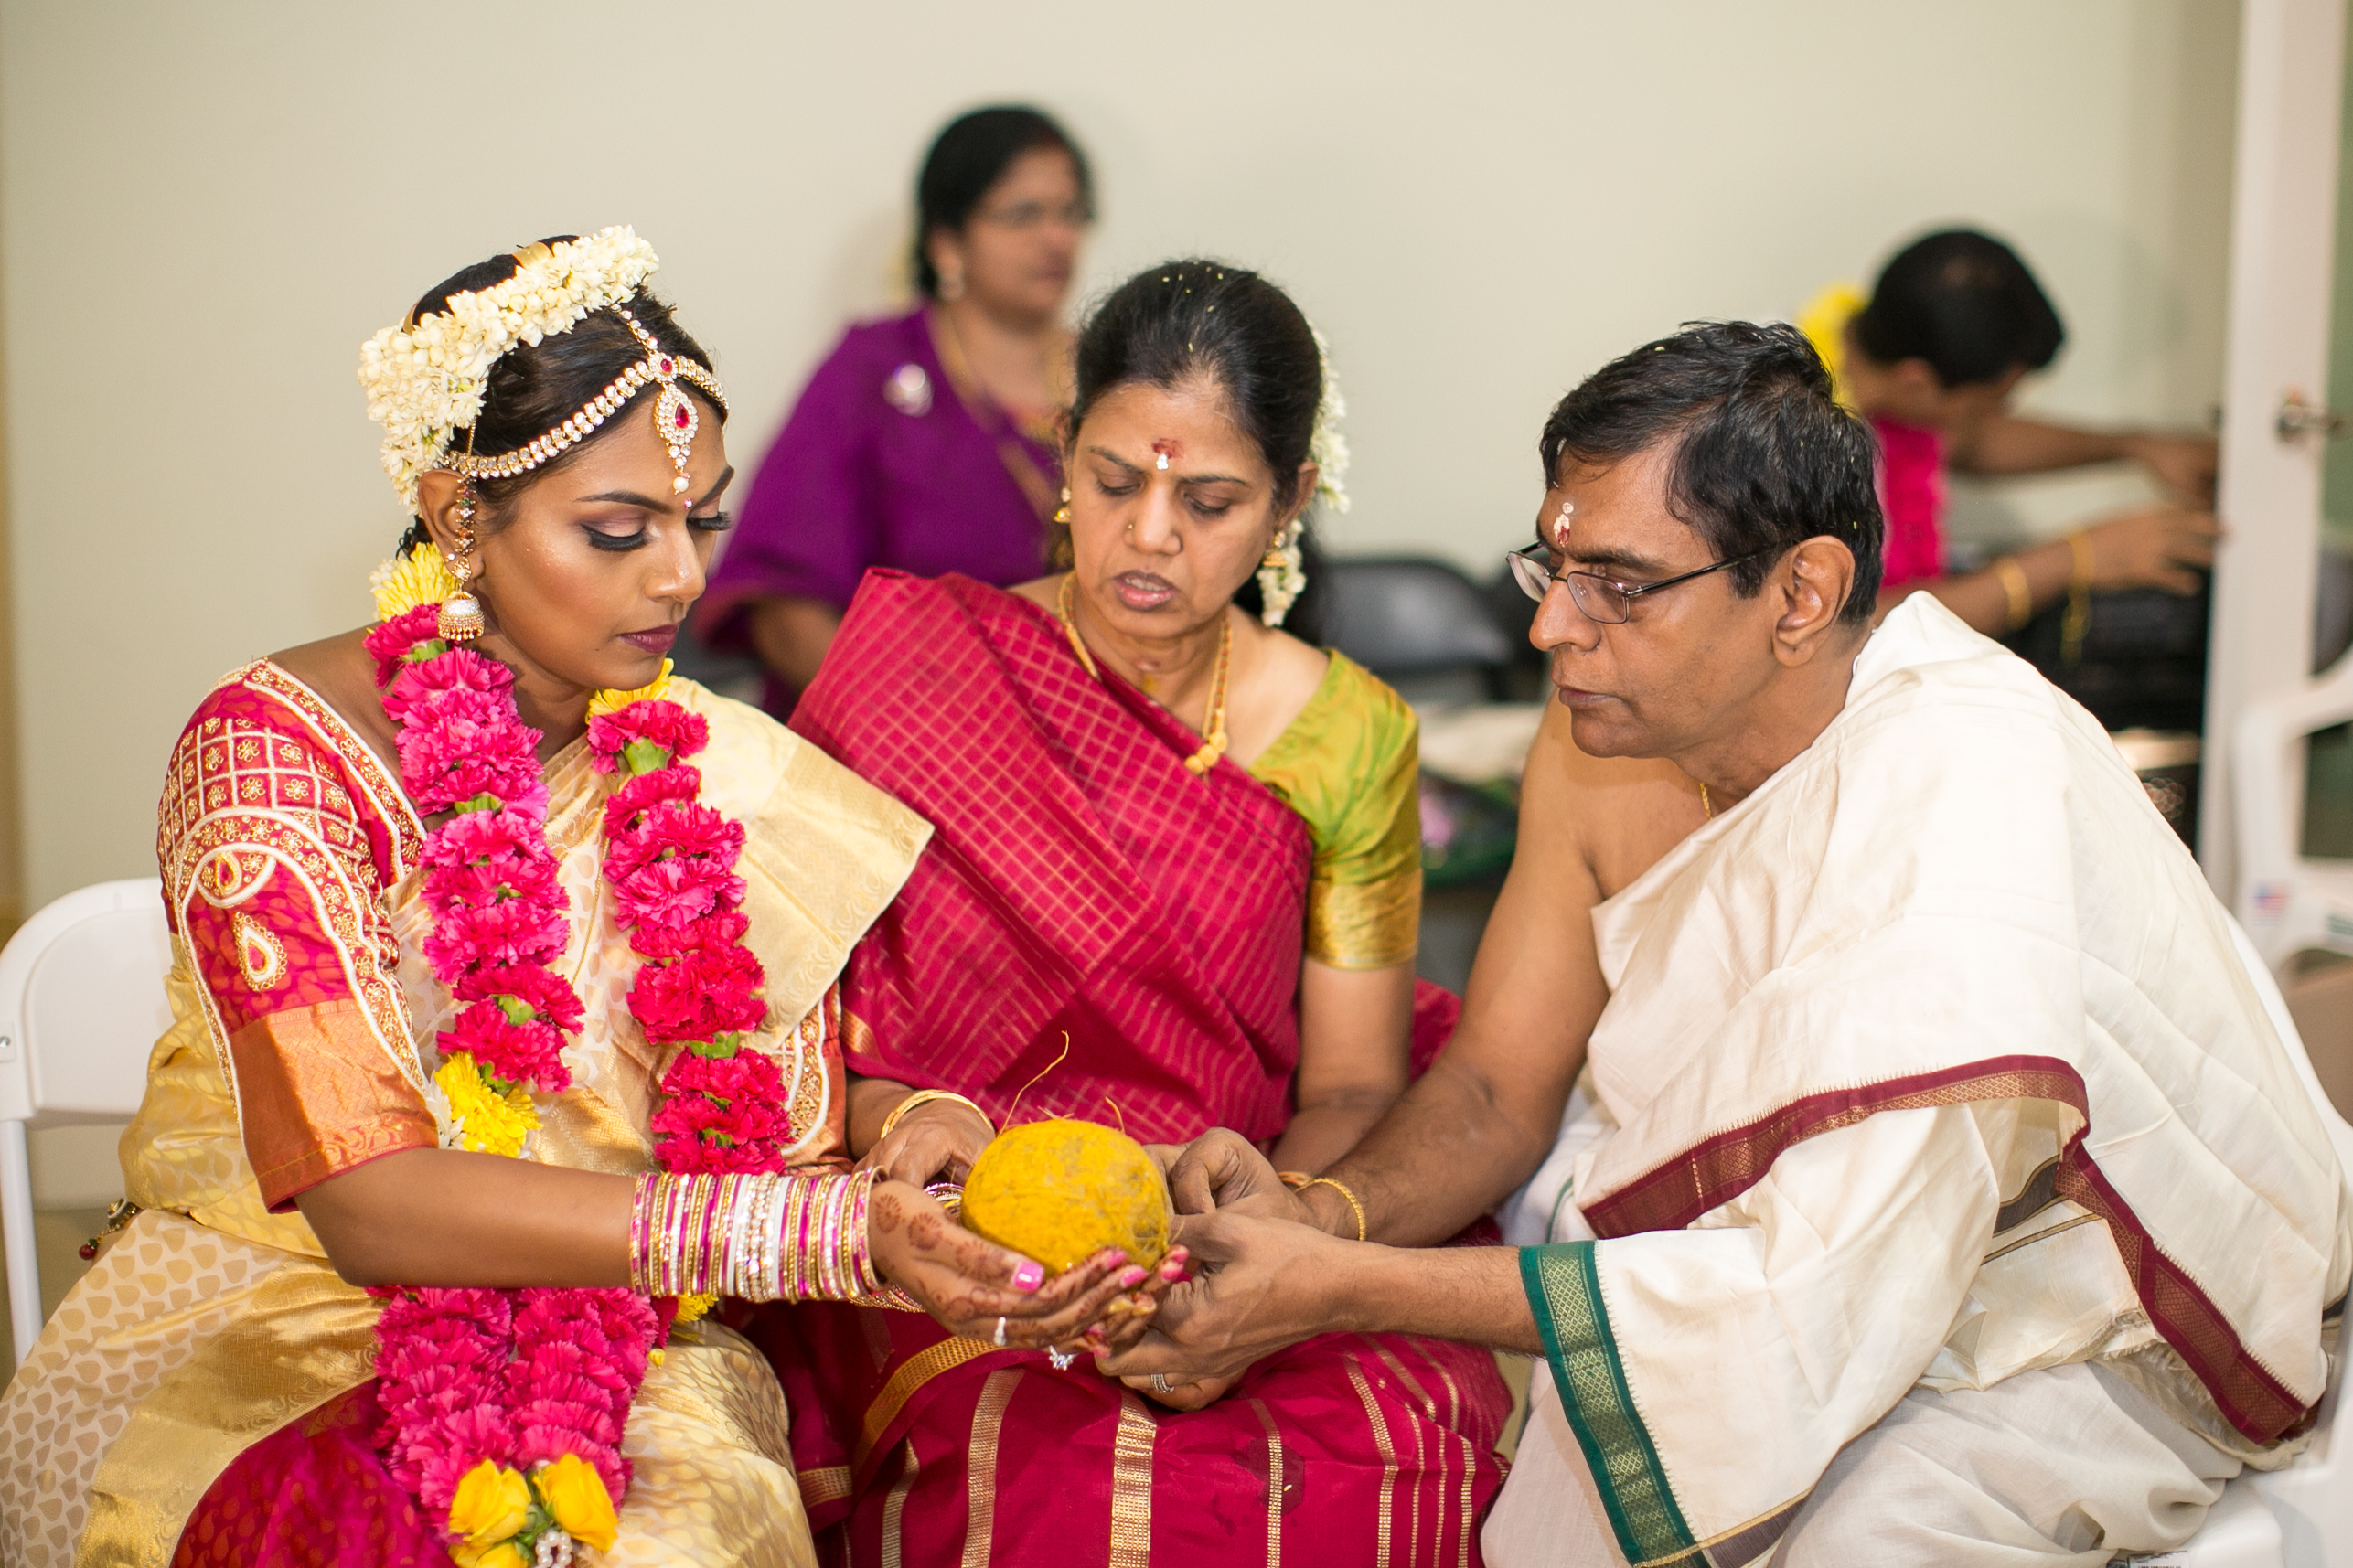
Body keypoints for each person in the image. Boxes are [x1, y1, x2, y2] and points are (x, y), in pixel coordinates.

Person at [0, 231, 1162, 1568]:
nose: (680, 576)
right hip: (263, 1318)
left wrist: (921, 1127)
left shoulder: (724, 769)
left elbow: (782, 1119)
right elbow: (366, 1201)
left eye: (701, 519)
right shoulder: (273, 757)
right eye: (618, 530)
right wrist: (830, 1231)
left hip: (621, 1328)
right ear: (455, 516)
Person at [1106, 321, 2353, 1565]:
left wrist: (1335, 1282)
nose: (1552, 631)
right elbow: (1493, 1082)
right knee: (1556, 1503)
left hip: (2077, 1305)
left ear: (1800, 594)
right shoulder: (1601, 733)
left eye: (1624, 585)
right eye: (1554, 567)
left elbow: (1800, 1296)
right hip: (1793, 1275)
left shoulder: (1957, 790)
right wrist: (1319, 1207)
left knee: (1866, 1541)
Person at [747, 260, 1511, 1565]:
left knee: (1344, 1467)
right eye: (1114, 479)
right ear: (1063, 455)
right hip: (953, 1224)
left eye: (1208, 500)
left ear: (1287, 504)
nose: (1151, 532)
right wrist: (911, 1135)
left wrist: (1261, 1235)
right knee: (1033, 1480)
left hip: (1223, 1214)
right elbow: (786, 1021)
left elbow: (1347, 1083)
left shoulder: (1347, 735)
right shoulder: (912, 673)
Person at [699, 105, 1091, 713]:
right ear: (945, 242)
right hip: (896, 744)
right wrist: (908, 740)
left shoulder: (1114, 377)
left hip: (1085, 732)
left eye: (1071, 213)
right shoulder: (874, 369)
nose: (1057, 238)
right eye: (1023, 215)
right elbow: (785, 604)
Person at [1798, 228, 2223, 634]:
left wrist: (2137, 447)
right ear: (1918, 383)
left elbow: (1971, 441)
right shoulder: (1792, 444)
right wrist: (2075, 558)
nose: (2001, 413)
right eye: (1990, 401)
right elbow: (1851, 629)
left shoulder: (1878, 363)